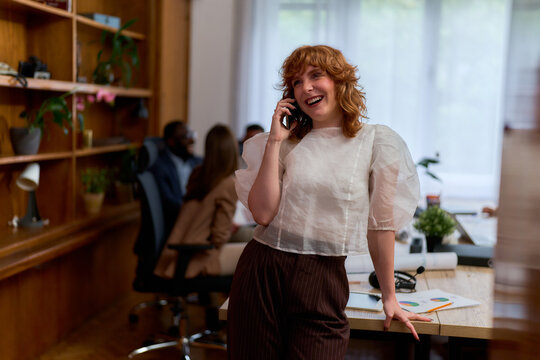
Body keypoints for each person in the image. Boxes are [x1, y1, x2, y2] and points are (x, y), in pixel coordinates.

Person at [227, 45, 431, 359]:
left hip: (323, 276)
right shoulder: (287, 143)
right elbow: (262, 214)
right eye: (296, 82)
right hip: (263, 269)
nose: (305, 86)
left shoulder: (377, 141)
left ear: (339, 80)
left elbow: (381, 226)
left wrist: (390, 298)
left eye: (315, 75)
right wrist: (274, 142)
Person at [153, 124, 244, 280]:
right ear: (232, 151)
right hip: (198, 257)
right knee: (258, 253)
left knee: (248, 238)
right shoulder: (229, 184)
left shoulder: (198, 173)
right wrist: (228, 227)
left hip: (174, 255)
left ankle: (214, 299)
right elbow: (219, 237)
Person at [150, 120, 202, 236]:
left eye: (191, 135)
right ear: (171, 142)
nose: (192, 141)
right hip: (179, 225)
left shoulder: (199, 162)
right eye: (185, 137)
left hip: (199, 220)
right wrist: (197, 211)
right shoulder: (160, 168)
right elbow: (170, 203)